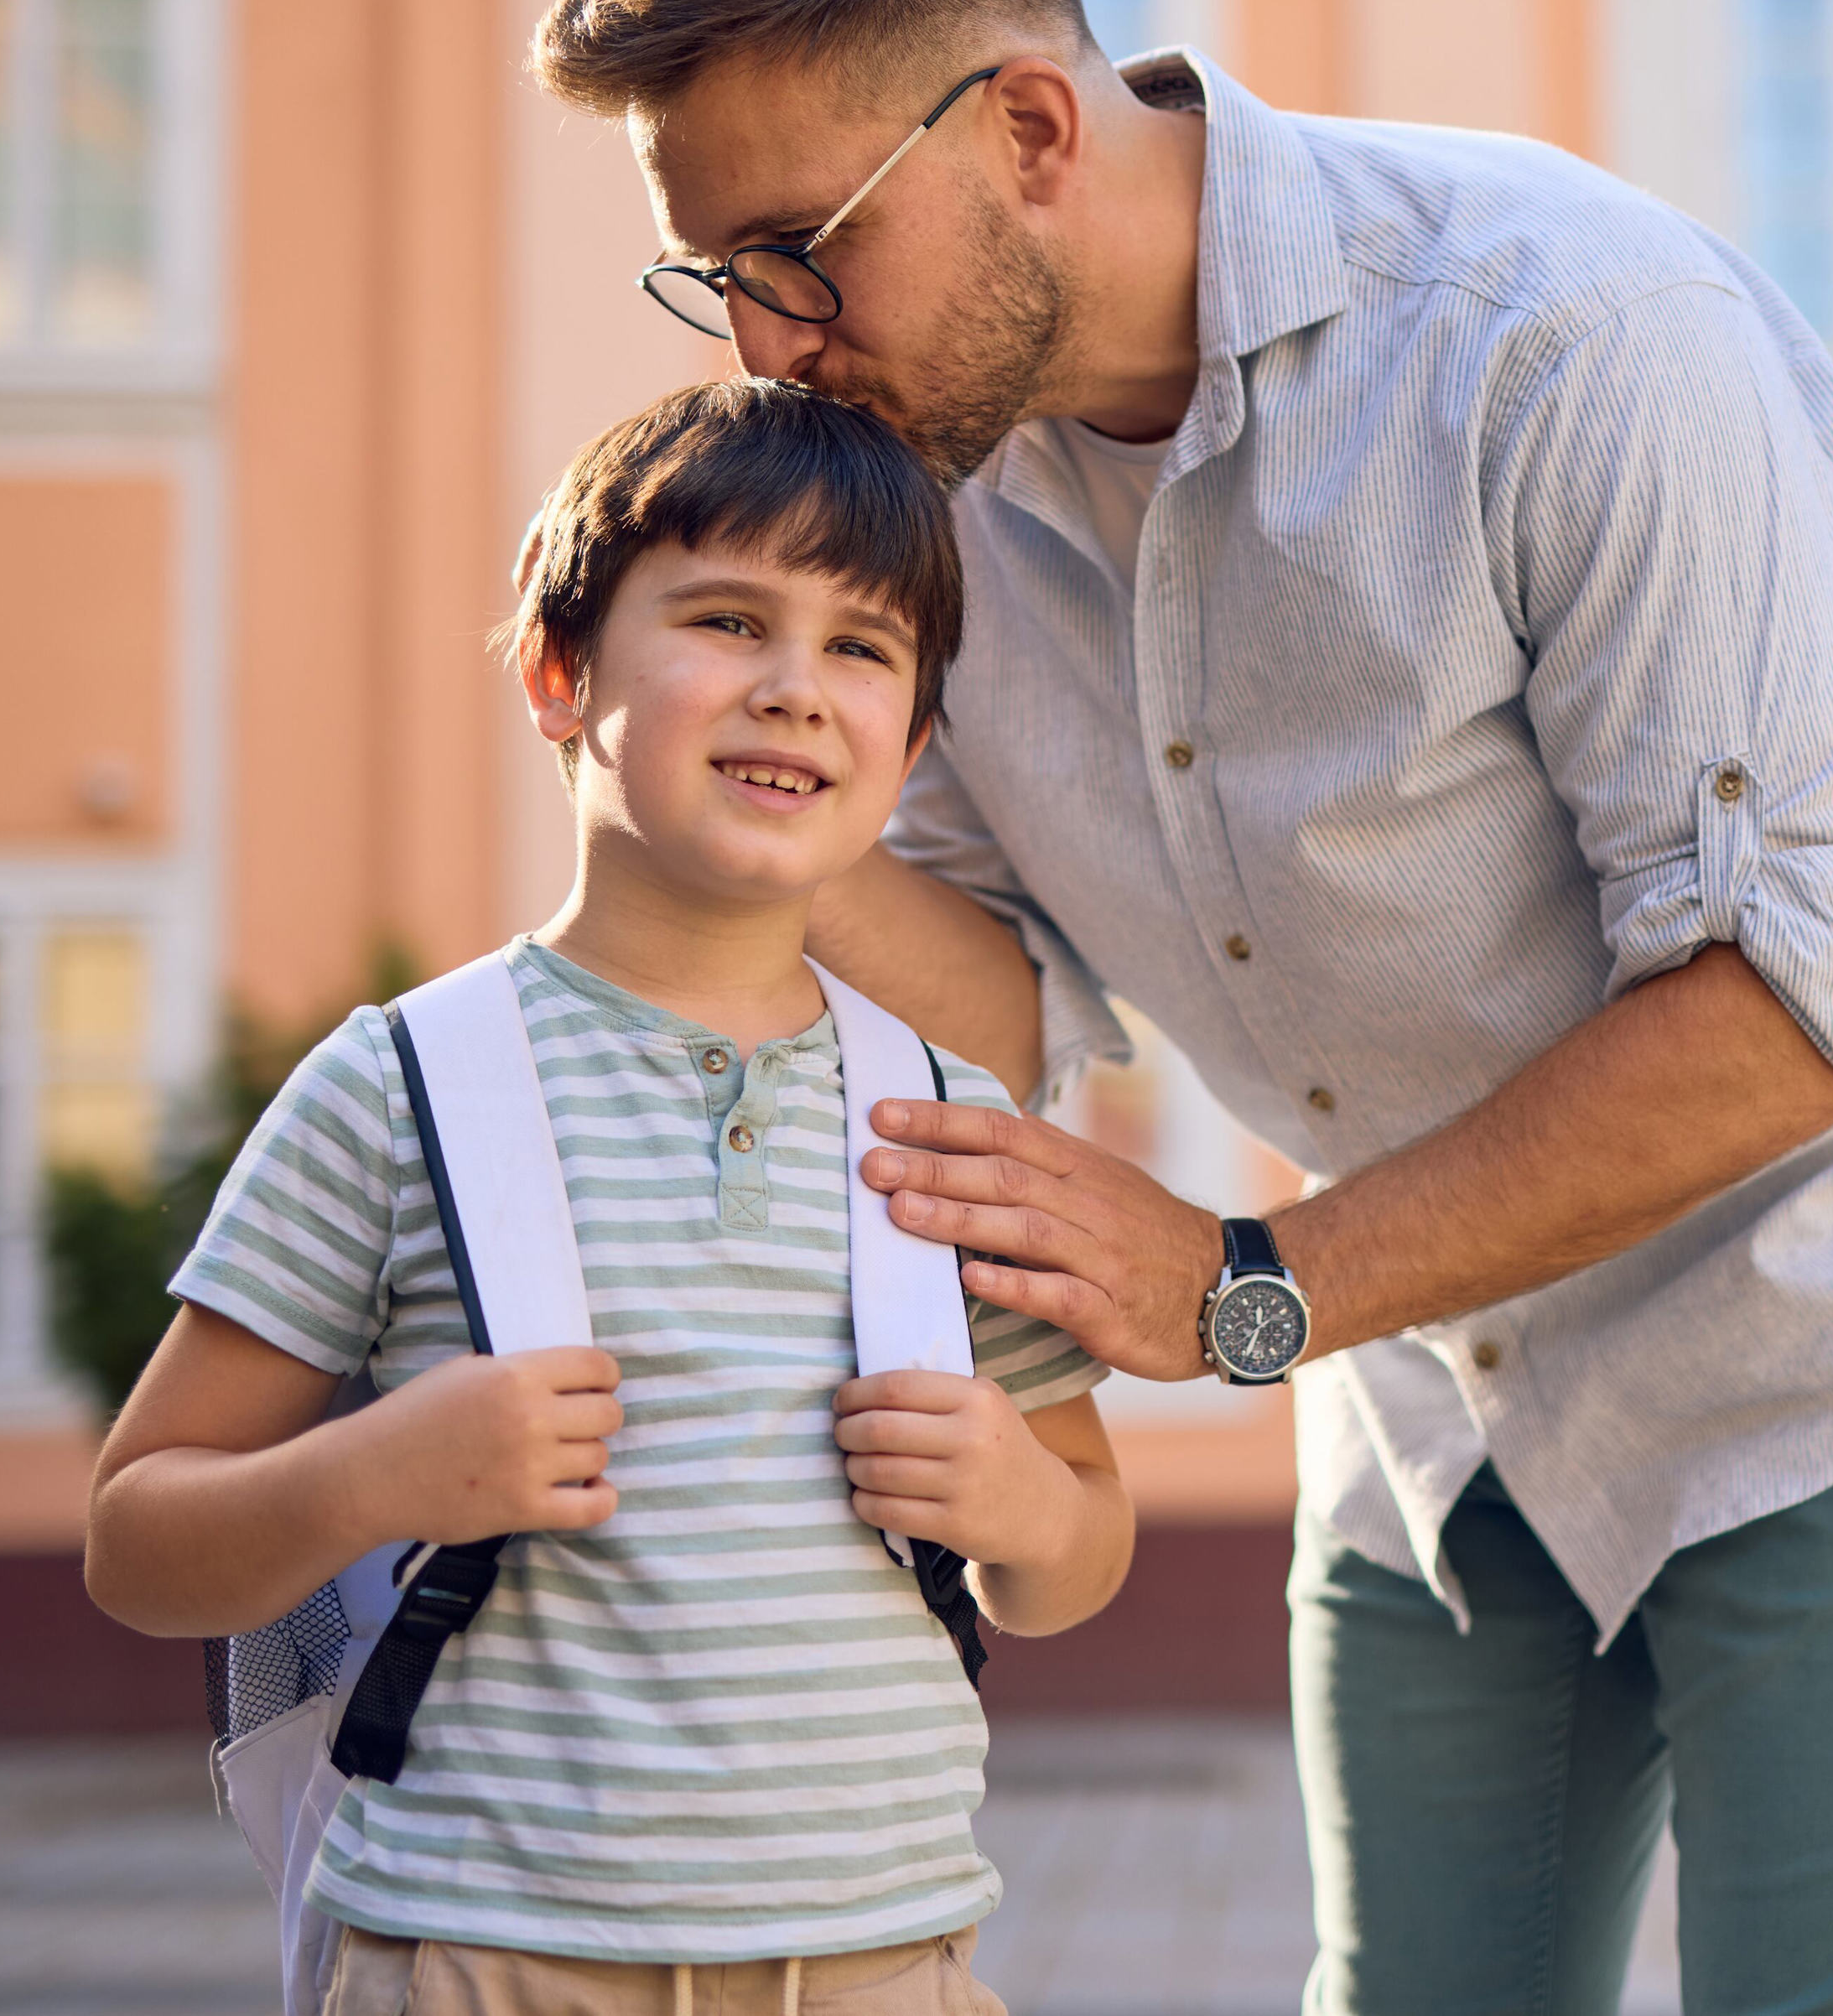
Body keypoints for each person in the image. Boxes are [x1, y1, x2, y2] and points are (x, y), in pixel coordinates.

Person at [539, 0, 1833, 2016]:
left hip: (1814, 1297)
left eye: (802, 250)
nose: (770, 344)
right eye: (722, 278)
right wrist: (705, 784)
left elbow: (1788, 1005)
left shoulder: (1571, 335)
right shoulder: (922, 497)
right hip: (1425, 1358)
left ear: (1029, 130)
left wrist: (1243, 1289)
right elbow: (1000, 991)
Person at [86, 378, 1129, 2016]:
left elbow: (1078, 1547)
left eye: (862, 646)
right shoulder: (398, 1087)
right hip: (480, 1960)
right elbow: (137, 1542)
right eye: (728, 619)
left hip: (886, 1962)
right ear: (558, 673)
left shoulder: (951, 1125)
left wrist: (1028, 1510)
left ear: (913, 743)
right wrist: (375, 1469)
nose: (795, 688)